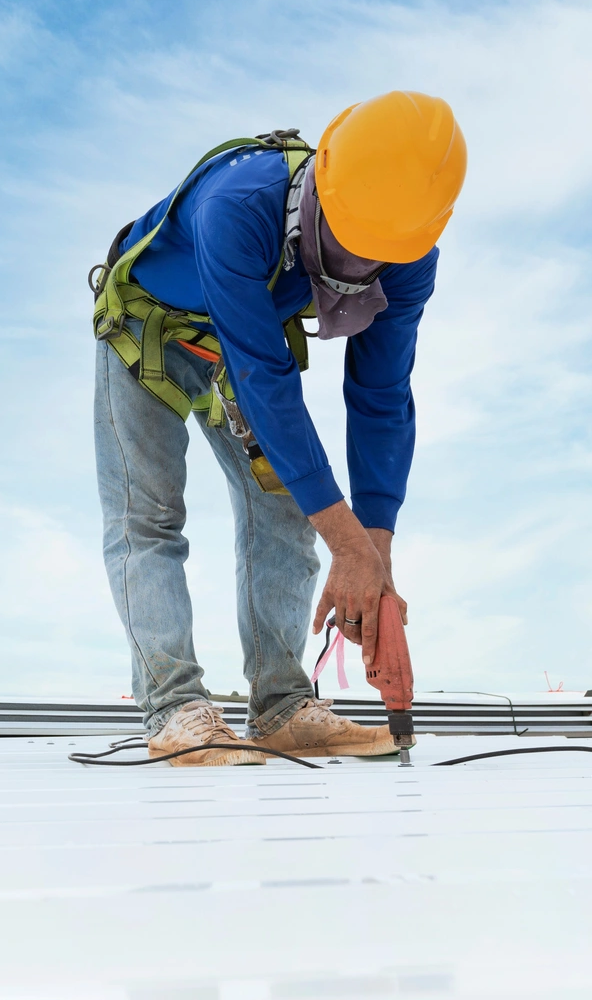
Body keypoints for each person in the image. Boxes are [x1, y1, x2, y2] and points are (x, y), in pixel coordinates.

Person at [90, 91, 466, 765]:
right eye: (350, 249)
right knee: (147, 518)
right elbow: (265, 378)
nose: (360, 270)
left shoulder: (409, 253)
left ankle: (283, 706)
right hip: (145, 326)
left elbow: (382, 396)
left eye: (380, 256)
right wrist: (347, 544)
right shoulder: (238, 205)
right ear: (321, 186)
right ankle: (176, 708)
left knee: (286, 510)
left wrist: (372, 557)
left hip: (241, 342)